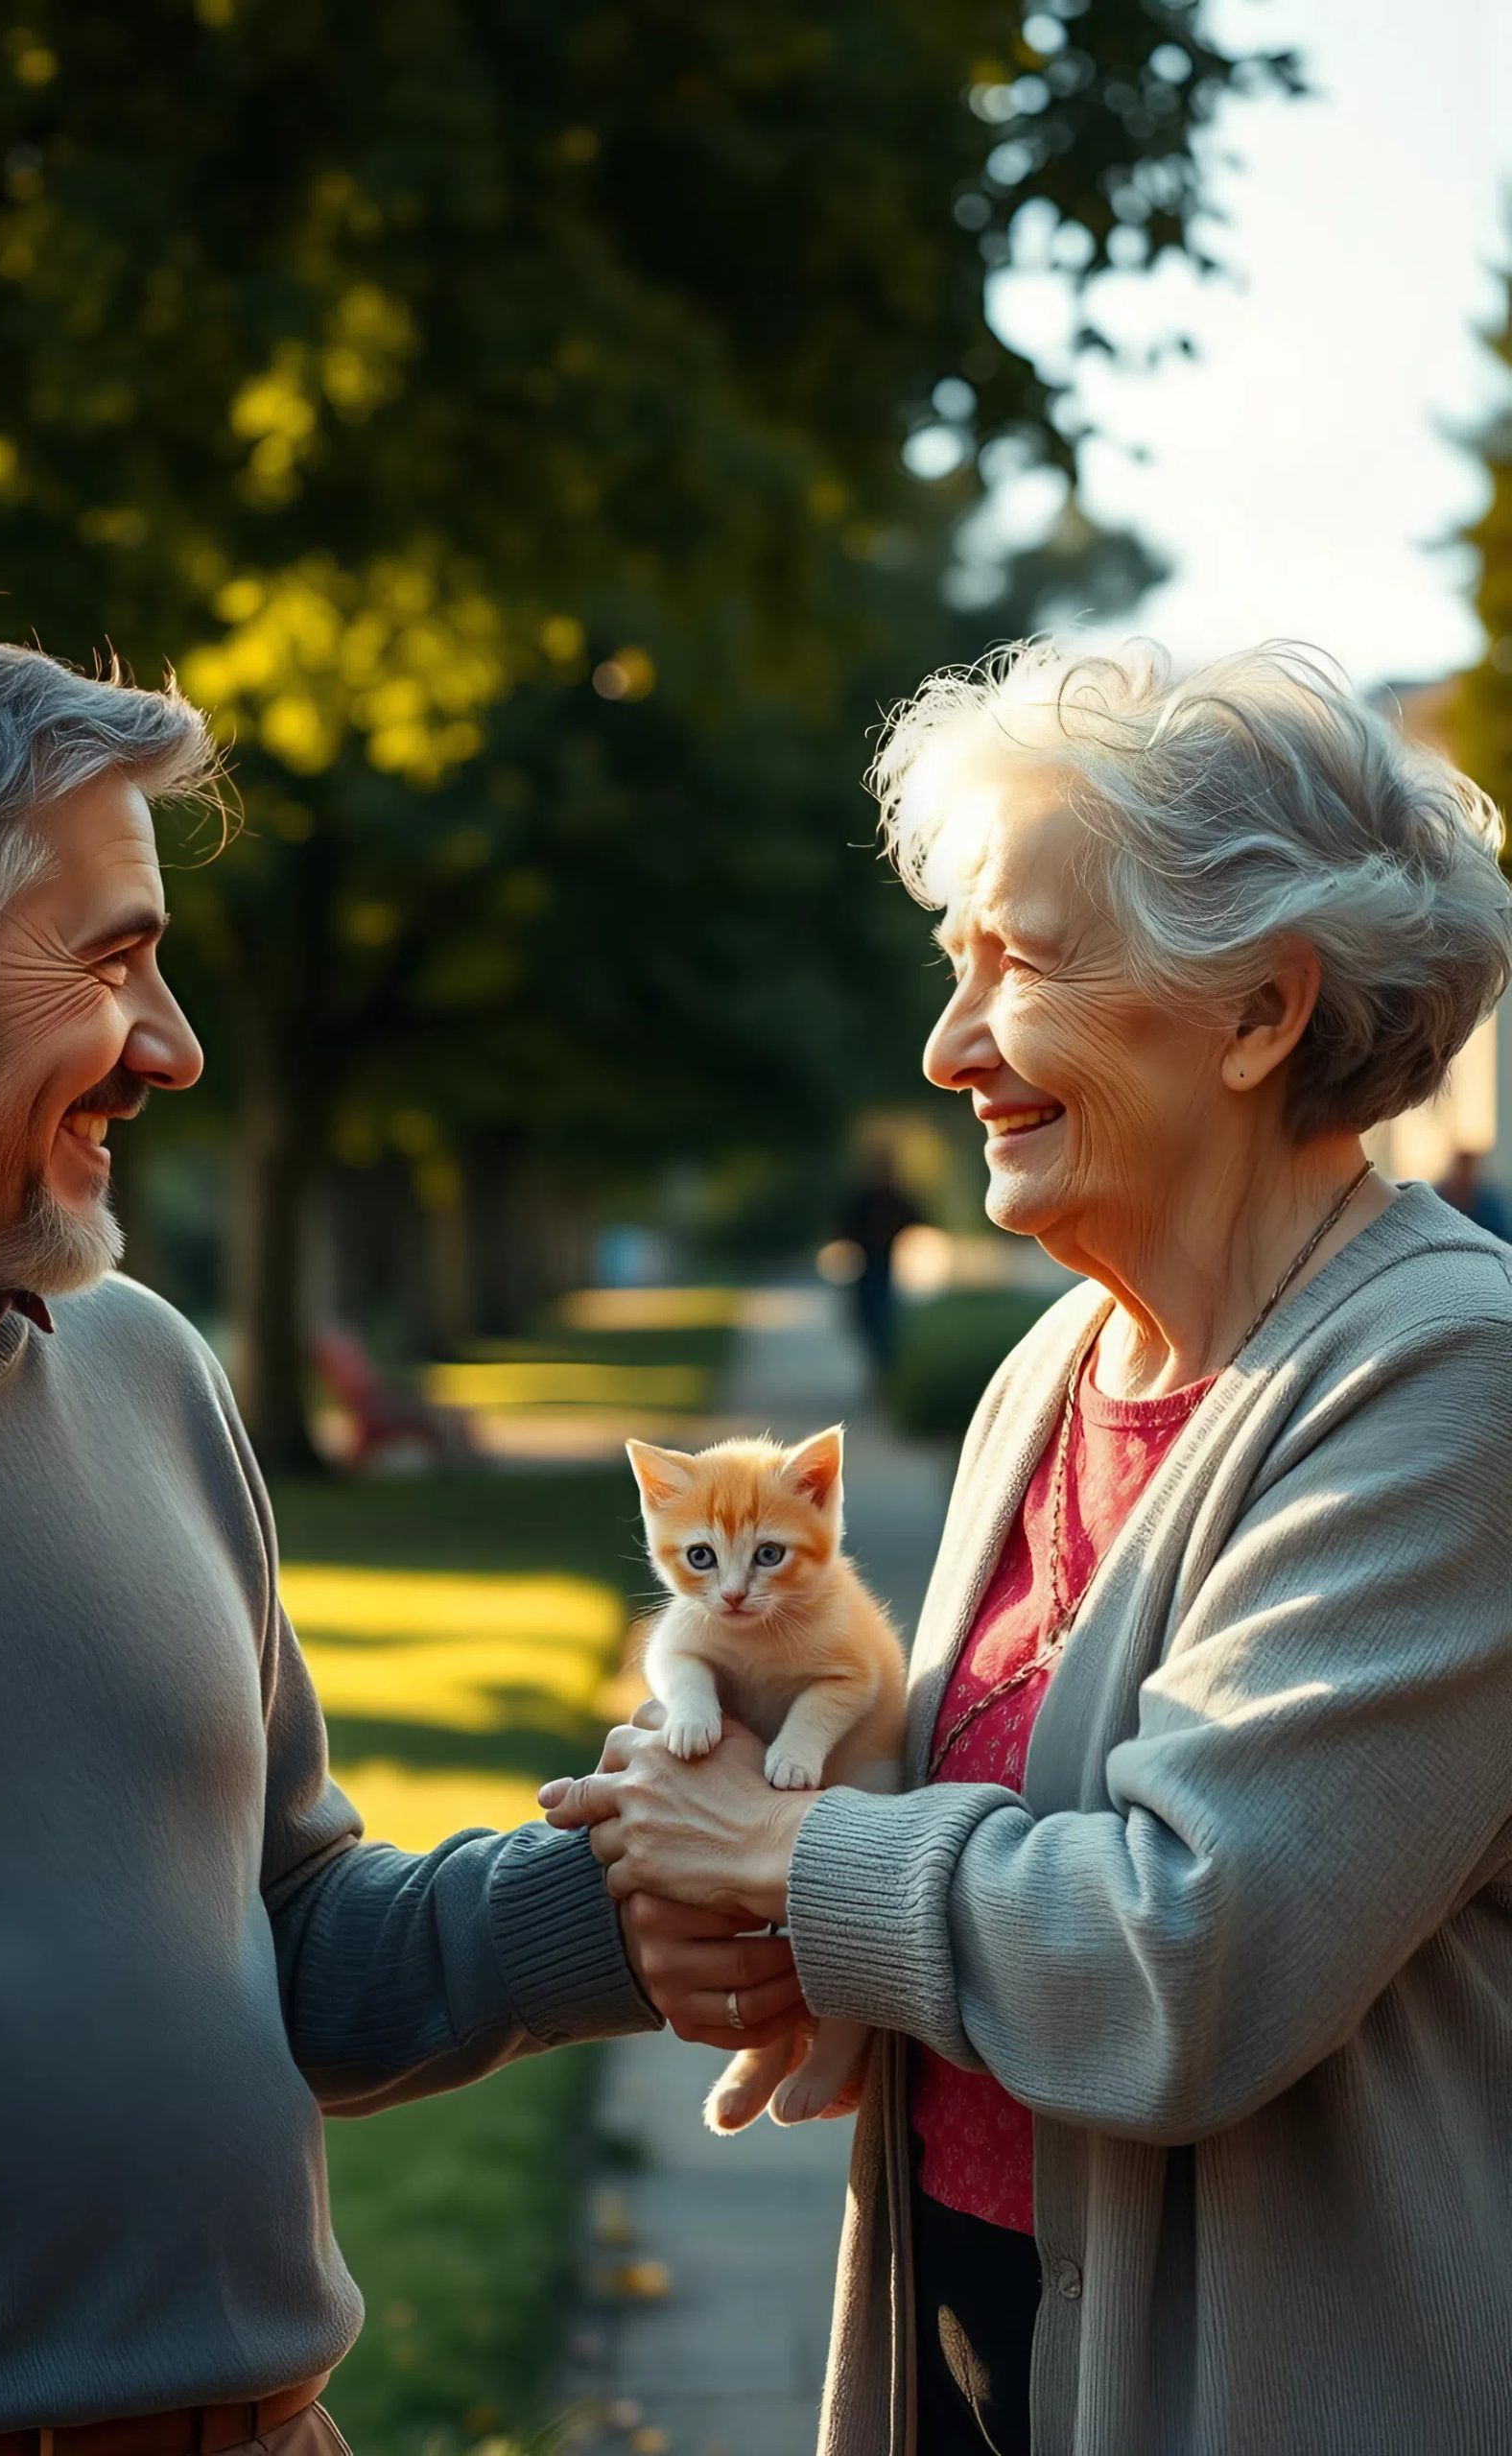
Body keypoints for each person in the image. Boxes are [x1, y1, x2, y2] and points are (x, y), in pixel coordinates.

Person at [0, 613, 799, 2456]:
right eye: (114, 960)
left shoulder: (140, 1367)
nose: (177, 1047)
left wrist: (624, 1901)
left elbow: (281, 1937)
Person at [541, 639, 1512, 2456]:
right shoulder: (1055, 1361)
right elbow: (950, 1797)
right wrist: (786, 1944)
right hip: (974, 2345)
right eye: (952, 966)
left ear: (1255, 1013)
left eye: (1024, 963)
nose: (946, 1044)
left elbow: (1181, 1957)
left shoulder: (1452, 1383)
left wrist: (783, 1848)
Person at [833, 1145, 920, 1379]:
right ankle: (881, 1369)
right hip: (868, 1266)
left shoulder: (891, 1198)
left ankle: (883, 1370)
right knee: (871, 1318)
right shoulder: (867, 1199)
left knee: (881, 1319)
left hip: (883, 1266)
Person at [1434, 1143, 1512, 1240]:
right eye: (1461, 1169)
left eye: (1468, 1169)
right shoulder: (1437, 1198)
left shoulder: (1490, 1205)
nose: (1463, 1175)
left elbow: (1503, 1240)